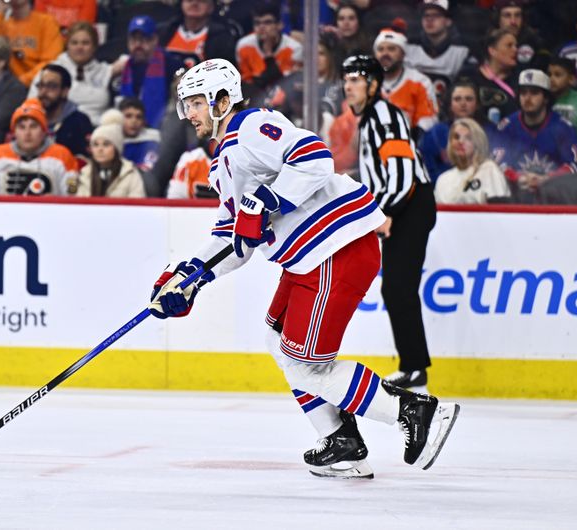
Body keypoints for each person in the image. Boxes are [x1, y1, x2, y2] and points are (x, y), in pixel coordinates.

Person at [149, 57, 459, 479]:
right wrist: (190, 275)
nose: (190, 114)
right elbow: (234, 236)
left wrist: (268, 201)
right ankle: (341, 441)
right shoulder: (223, 163)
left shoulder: (250, 126)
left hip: (336, 246)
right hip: (310, 258)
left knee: (305, 364)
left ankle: (416, 410)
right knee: (277, 341)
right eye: (186, 105)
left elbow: (314, 157)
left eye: (197, 103)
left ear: (223, 100)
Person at [343, 55, 436, 392]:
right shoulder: (370, 119)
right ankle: (413, 367)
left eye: (356, 79)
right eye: (346, 79)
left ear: (373, 84)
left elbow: (401, 171)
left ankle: (414, 369)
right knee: (397, 288)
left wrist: (385, 212)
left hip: (410, 205)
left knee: (398, 288)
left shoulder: (383, 113)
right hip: (403, 205)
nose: (348, 86)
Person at [494, 69, 577, 204]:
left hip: (555, 199)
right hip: (515, 199)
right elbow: (495, 165)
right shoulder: (506, 126)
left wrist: (549, 179)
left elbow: (575, 166)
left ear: (546, 98)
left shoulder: (563, 127)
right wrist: (517, 177)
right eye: (523, 93)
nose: (527, 98)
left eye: (534, 93)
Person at [0, 98, 79, 195]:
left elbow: (72, 195)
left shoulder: (62, 155)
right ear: (14, 132)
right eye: (22, 127)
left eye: (33, 126)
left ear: (44, 131)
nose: (27, 133)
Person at [27, 21, 115, 125]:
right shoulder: (51, 71)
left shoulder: (105, 70)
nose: (79, 47)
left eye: (85, 43)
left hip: (97, 131)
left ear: (95, 46)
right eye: (74, 43)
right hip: (57, 127)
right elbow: (31, 103)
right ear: (67, 45)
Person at [119, 15, 184, 129]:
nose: (138, 45)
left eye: (144, 39)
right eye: (134, 40)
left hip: (162, 127)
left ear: (155, 40)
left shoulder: (172, 65)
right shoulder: (123, 68)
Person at [405, 0, 471, 109]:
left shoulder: (463, 51)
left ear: (448, 21)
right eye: (426, 15)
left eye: (436, 15)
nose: (429, 19)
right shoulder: (409, 47)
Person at [373, 24, 439, 135]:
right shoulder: (365, 83)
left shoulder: (420, 82)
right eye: (380, 49)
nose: (385, 54)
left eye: (391, 49)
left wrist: (413, 135)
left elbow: (429, 117)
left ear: (403, 54)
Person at [0, 0, 63, 87]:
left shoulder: (46, 22)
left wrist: (22, 82)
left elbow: (50, 61)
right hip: (9, 87)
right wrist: (1, 12)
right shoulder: (3, 25)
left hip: (38, 86)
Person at [420, 80, 484, 181]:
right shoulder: (435, 134)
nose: (463, 104)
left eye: (469, 99)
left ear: (477, 104)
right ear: (450, 104)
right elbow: (426, 169)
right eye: (457, 99)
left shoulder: (489, 131)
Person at [434, 118, 510, 204]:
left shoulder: (489, 169)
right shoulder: (443, 179)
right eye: (456, 137)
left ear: (478, 142)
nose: (461, 141)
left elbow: (500, 210)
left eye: (468, 138)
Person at [236, 3, 302, 99]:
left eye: (267, 22)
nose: (261, 27)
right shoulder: (244, 46)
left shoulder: (294, 49)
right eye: (257, 23)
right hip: (254, 99)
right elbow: (248, 86)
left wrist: (269, 57)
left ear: (280, 25)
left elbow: (284, 85)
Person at [76, 110, 145, 197]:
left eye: (106, 144)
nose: (100, 149)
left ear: (117, 148)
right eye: (95, 145)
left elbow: (137, 204)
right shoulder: (84, 173)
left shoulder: (130, 173)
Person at [459, 28, 519, 125]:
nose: (515, 50)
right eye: (509, 46)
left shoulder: (520, 79)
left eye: (516, 46)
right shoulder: (469, 76)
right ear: (492, 51)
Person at [34, 63, 93, 159]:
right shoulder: (31, 119)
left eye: (51, 86)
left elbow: (83, 160)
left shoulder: (80, 122)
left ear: (65, 91)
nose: (43, 92)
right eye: (41, 85)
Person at [160, 0, 238, 66]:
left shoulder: (222, 36)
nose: (194, 3)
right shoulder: (165, 30)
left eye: (201, 0)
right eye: (189, 0)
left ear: (212, 6)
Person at [548, 56, 577, 148]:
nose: (551, 79)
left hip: (573, 153)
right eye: (549, 74)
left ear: (571, 79)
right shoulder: (542, 100)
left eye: (557, 75)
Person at [120, 97, 160, 172]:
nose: (134, 121)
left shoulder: (155, 138)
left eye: (138, 117)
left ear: (143, 120)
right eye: (128, 116)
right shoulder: (111, 141)